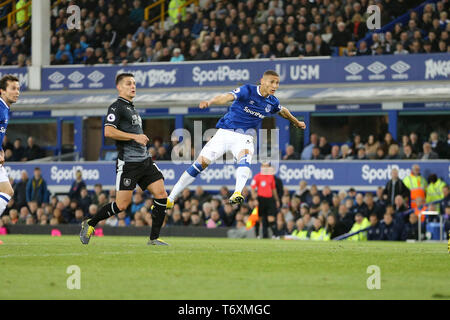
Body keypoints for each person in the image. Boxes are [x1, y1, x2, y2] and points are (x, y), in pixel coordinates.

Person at [166, 70, 306, 208]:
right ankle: (170, 198)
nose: (275, 86)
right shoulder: (248, 90)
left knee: (245, 159)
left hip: (244, 138)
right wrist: (210, 102)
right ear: (263, 81)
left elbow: (283, 111)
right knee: (199, 165)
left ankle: (237, 192)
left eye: (277, 83)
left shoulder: (272, 102)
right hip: (224, 134)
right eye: (272, 82)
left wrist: (296, 122)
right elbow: (226, 97)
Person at [80, 73, 169, 246]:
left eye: (134, 83)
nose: (133, 86)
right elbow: (108, 131)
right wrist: (135, 137)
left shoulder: (132, 108)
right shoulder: (116, 107)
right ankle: (90, 223)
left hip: (145, 161)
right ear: (119, 87)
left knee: (161, 194)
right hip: (129, 163)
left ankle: (154, 238)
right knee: (122, 205)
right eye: (128, 83)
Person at [0, 75, 20, 217]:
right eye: (13, 88)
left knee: (7, 191)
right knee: (7, 191)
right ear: (2, 91)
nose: (17, 92)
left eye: (18, 89)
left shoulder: (5, 109)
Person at [250, 162, 280, 239]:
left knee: (271, 218)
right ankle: (257, 235)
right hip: (260, 199)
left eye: (267, 167)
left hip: (270, 199)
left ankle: (275, 235)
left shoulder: (271, 177)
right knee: (258, 218)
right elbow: (252, 188)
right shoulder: (257, 177)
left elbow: (273, 189)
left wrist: (276, 200)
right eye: (264, 166)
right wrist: (255, 199)